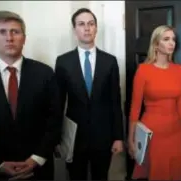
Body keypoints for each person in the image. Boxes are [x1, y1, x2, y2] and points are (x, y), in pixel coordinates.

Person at [0, 10, 62, 180]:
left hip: (38, 169)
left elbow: (55, 120)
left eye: (15, 31)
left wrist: (36, 159)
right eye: (2, 32)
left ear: (24, 37)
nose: (9, 38)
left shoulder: (45, 73)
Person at [55, 8, 124, 180]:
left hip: (103, 136)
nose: (87, 28)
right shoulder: (63, 61)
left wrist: (118, 137)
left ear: (96, 28)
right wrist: (56, 138)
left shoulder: (109, 61)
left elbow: (115, 101)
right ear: (74, 30)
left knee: (101, 176)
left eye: (91, 24)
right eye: (81, 24)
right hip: (74, 137)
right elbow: (57, 103)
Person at [128, 25, 181, 180]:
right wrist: (131, 139)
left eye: (173, 39)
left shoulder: (178, 70)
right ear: (156, 44)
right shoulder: (143, 70)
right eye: (166, 39)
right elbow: (135, 107)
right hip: (152, 133)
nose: (172, 43)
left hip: (175, 132)